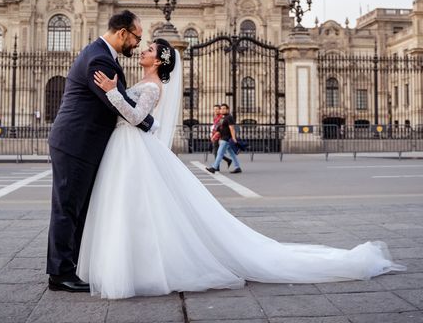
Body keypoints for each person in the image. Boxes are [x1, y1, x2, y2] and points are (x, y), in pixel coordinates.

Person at [78, 38, 405, 299]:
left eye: (149, 49)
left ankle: (141, 266)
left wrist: (111, 92)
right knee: (138, 209)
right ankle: (137, 263)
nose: (143, 50)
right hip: (128, 148)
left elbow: (135, 118)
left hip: (133, 148)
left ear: (160, 59)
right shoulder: (143, 81)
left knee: (142, 209)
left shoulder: (152, 86)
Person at [46, 10, 156, 293]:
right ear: (122, 33)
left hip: (81, 143)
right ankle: (60, 274)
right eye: (136, 38)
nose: (137, 44)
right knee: (67, 208)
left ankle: (71, 267)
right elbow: (118, 106)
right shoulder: (100, 60)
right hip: (75, 142)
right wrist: (147, 121)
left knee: (77, 208)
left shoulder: (101, 55)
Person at [206, 103, 242, 174]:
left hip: (226, 139)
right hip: (223, 138)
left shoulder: (229, 117)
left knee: (219, 153)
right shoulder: (222, 118)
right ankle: (237, 167)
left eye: (224, 108)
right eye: (221, 108)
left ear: (227, 110)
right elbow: (219, 129)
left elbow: (232, 128)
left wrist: (234, 138)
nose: (222, 110)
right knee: (231, 154)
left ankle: (214, 168)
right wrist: (214, 136)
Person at [210, 104, 232, 169]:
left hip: (219, 137)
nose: (215, 110)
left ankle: (217, 167)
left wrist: (215, 136)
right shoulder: (215, 117)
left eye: (217, 109)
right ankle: (227, 160)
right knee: (217, 152)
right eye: (214, 109)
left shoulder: (221, 117)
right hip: (215, 136)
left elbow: (220, 128)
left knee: (216, 151)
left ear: (219, 110)